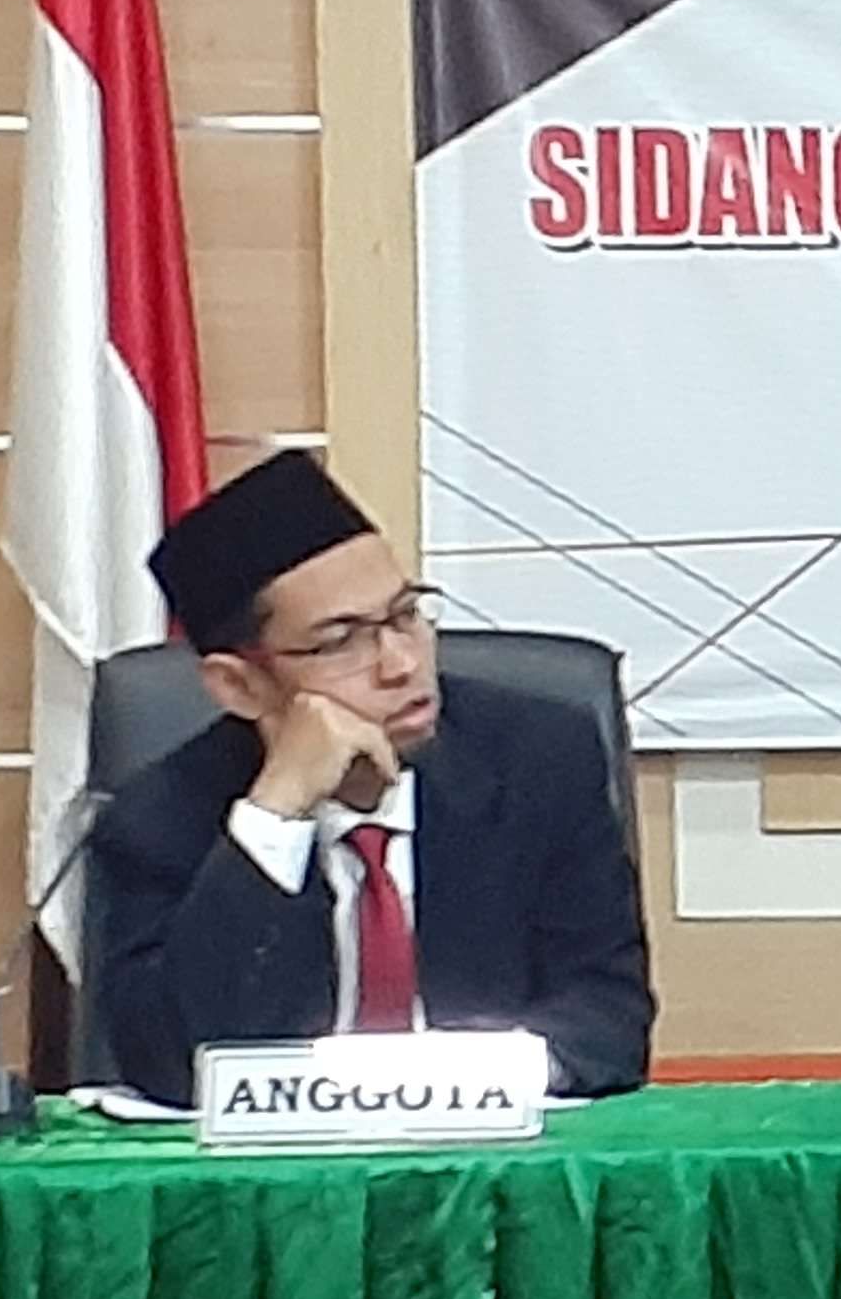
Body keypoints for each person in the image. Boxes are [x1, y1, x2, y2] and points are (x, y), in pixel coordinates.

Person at [90, 449, 652, 1106]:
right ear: (239, 686)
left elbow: (608, 1018)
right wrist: (275, 813)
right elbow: (170, 1063)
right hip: (278, 1167)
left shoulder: (539, 758)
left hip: (493, 1148)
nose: (401, 664)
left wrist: (452, 1085)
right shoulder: (160, 816)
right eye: (341, 641)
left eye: (406, 615)